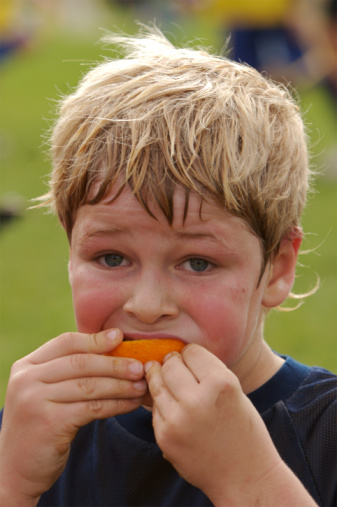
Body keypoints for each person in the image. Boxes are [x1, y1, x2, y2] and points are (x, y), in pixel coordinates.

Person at [0, 25, 336, 507]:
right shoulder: (40, 428)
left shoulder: (324, 431)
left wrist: (252, 482)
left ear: (278, 268)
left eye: (198, 262)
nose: (147, 305)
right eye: (111, 258)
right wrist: (11, 485)